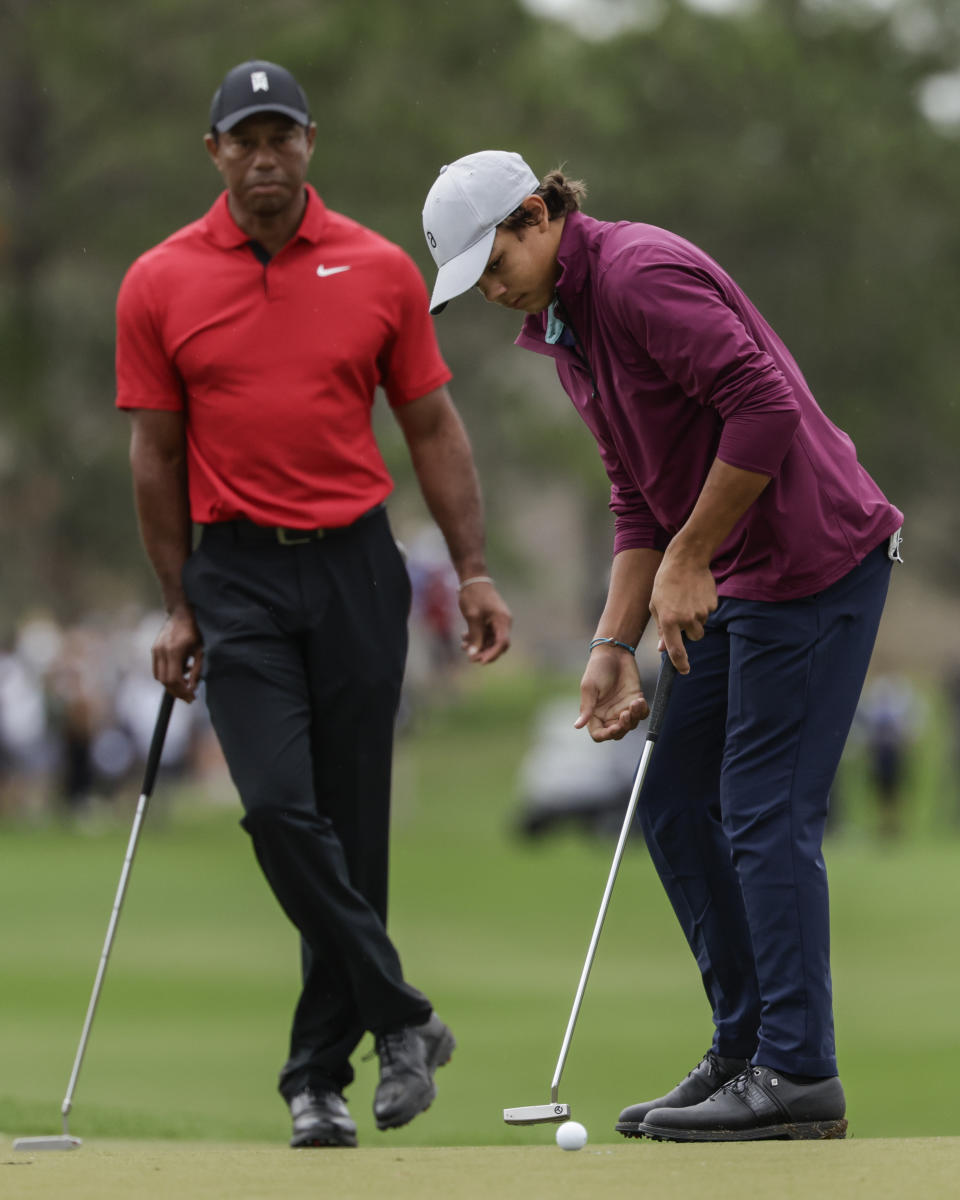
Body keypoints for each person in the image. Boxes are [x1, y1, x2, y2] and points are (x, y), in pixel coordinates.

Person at [421, 151, 903, 1142]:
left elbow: (761, 405)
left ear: (535, 214)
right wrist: (612, 640)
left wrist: (690, 557)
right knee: (677, 802)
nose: (491, 289)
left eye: (493, 260)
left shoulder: (638, 277)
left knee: (764, 811)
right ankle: (746, 1048)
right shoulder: (566, 326)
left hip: (815, 561)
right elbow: (636, 489)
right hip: (735, 574)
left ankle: (798, 1073)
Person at [115, 64, 511, 1150]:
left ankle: (317, 1079)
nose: (263, 157)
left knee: (353, 827)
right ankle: (404, 1016)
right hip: (234, 574)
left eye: (280, 135)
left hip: (355, 568)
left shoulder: (380, 268)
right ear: (214, 154)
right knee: (281, 811)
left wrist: (472, 570)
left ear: (309, 143)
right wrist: (175, 602)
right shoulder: (158, 280)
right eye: (243, 139)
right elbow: (153, 455)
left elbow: (432, 427)